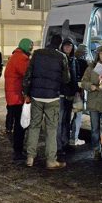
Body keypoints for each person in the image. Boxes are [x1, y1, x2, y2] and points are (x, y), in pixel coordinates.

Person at [23, 34, 70, 169]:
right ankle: (50, 160)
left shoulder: (37, 54)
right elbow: (66, 78)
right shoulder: (62, 57)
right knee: (51, 129)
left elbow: (28, 74)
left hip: (36, 96)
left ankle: (30, 158)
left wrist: (26, 92)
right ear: (59, 45)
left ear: (49, 42)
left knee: (34, 126)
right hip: (52, 97)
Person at [81, 45, 102, 160]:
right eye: (101, 53)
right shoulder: (91, 67)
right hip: (94, 102)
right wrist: (90, 86)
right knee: (95, 129)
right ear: (98, 55)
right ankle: (96, 150)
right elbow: (83, 82)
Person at [4, 38, 33, 160]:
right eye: (30, 47)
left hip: (12, 96)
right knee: (20, 125)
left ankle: (18, 149)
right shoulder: (21, 58)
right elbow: (27, 74)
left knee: (18, 123)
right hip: (17, 97)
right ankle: (18, 151)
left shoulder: (15, 56)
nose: (31, 49)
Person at [57, 37, 80, 156]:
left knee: (67, 120)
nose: (67, 47)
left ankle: (65, 143)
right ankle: (58, 146)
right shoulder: (59, 59)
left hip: (70, 95)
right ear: (62, 47)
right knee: (60, 121)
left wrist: (76, 91)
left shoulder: (74, 60)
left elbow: (75, 77)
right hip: (61, 94)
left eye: (70, 46)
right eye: (66, 45)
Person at [69, 44, 89, 146]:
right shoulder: (83, 63)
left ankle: (66, 136)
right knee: (78, 115)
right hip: (78, 92)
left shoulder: (70, 59)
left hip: (69, 92)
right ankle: (74, 139)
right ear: (84, 53)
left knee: (68, 115)